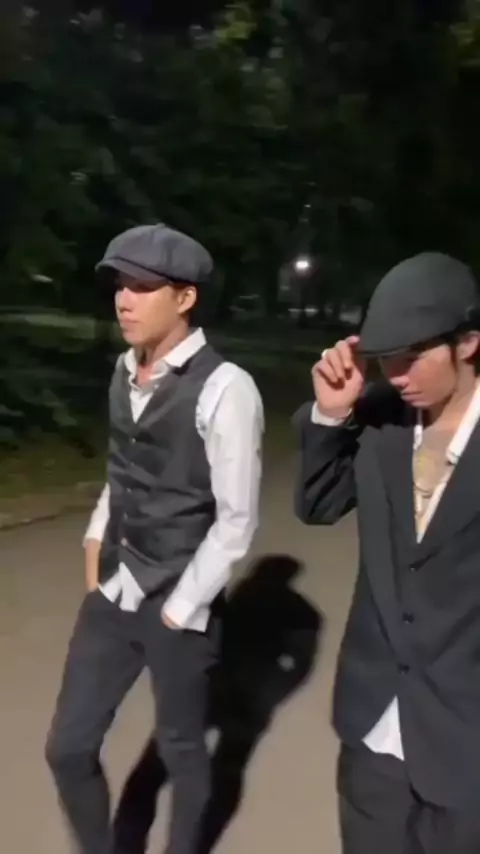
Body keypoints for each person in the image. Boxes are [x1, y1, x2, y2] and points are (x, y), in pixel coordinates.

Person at [45, 223, 264, 854]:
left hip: (179, 599)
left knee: (182, 748)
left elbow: (237, 519)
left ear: (185, 297)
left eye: (142, 287)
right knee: (68, 749)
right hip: (114, 587)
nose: (124, 300)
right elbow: (124, 469)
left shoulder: (226, 389)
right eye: (120, 284)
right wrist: (95, 544)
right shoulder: (124, 368)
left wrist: (180, 607)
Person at [294, 252, 480, 854]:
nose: (397, 374)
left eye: (413, 356)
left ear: (468, 343)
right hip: (374, 726)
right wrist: (332, 414)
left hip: (466, 743)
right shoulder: (378, 420)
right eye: (385, 358)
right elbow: (318, 505)